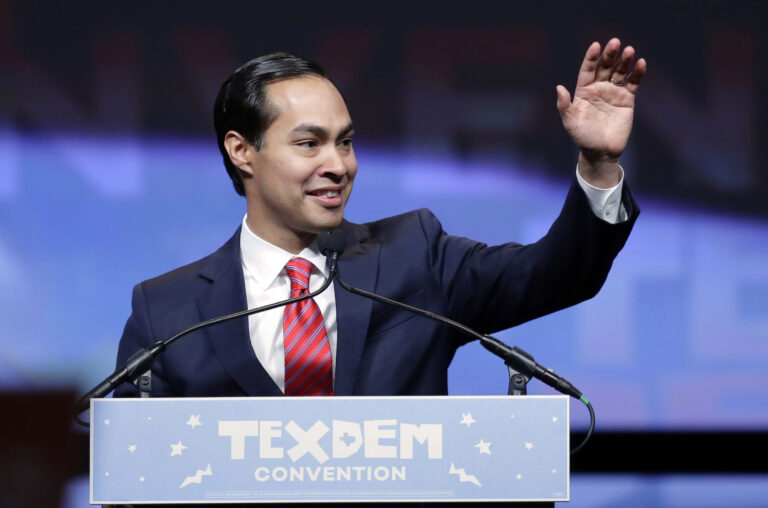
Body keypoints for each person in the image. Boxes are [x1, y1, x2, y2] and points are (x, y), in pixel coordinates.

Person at [115, 38, 645, 400]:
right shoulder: (167, 313)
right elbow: (131, 471)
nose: (338, 165)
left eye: (345, 142)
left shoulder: (414, 257)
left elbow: (559, 273)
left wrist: (598, 164)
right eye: (309, 143)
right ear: (241, 151)